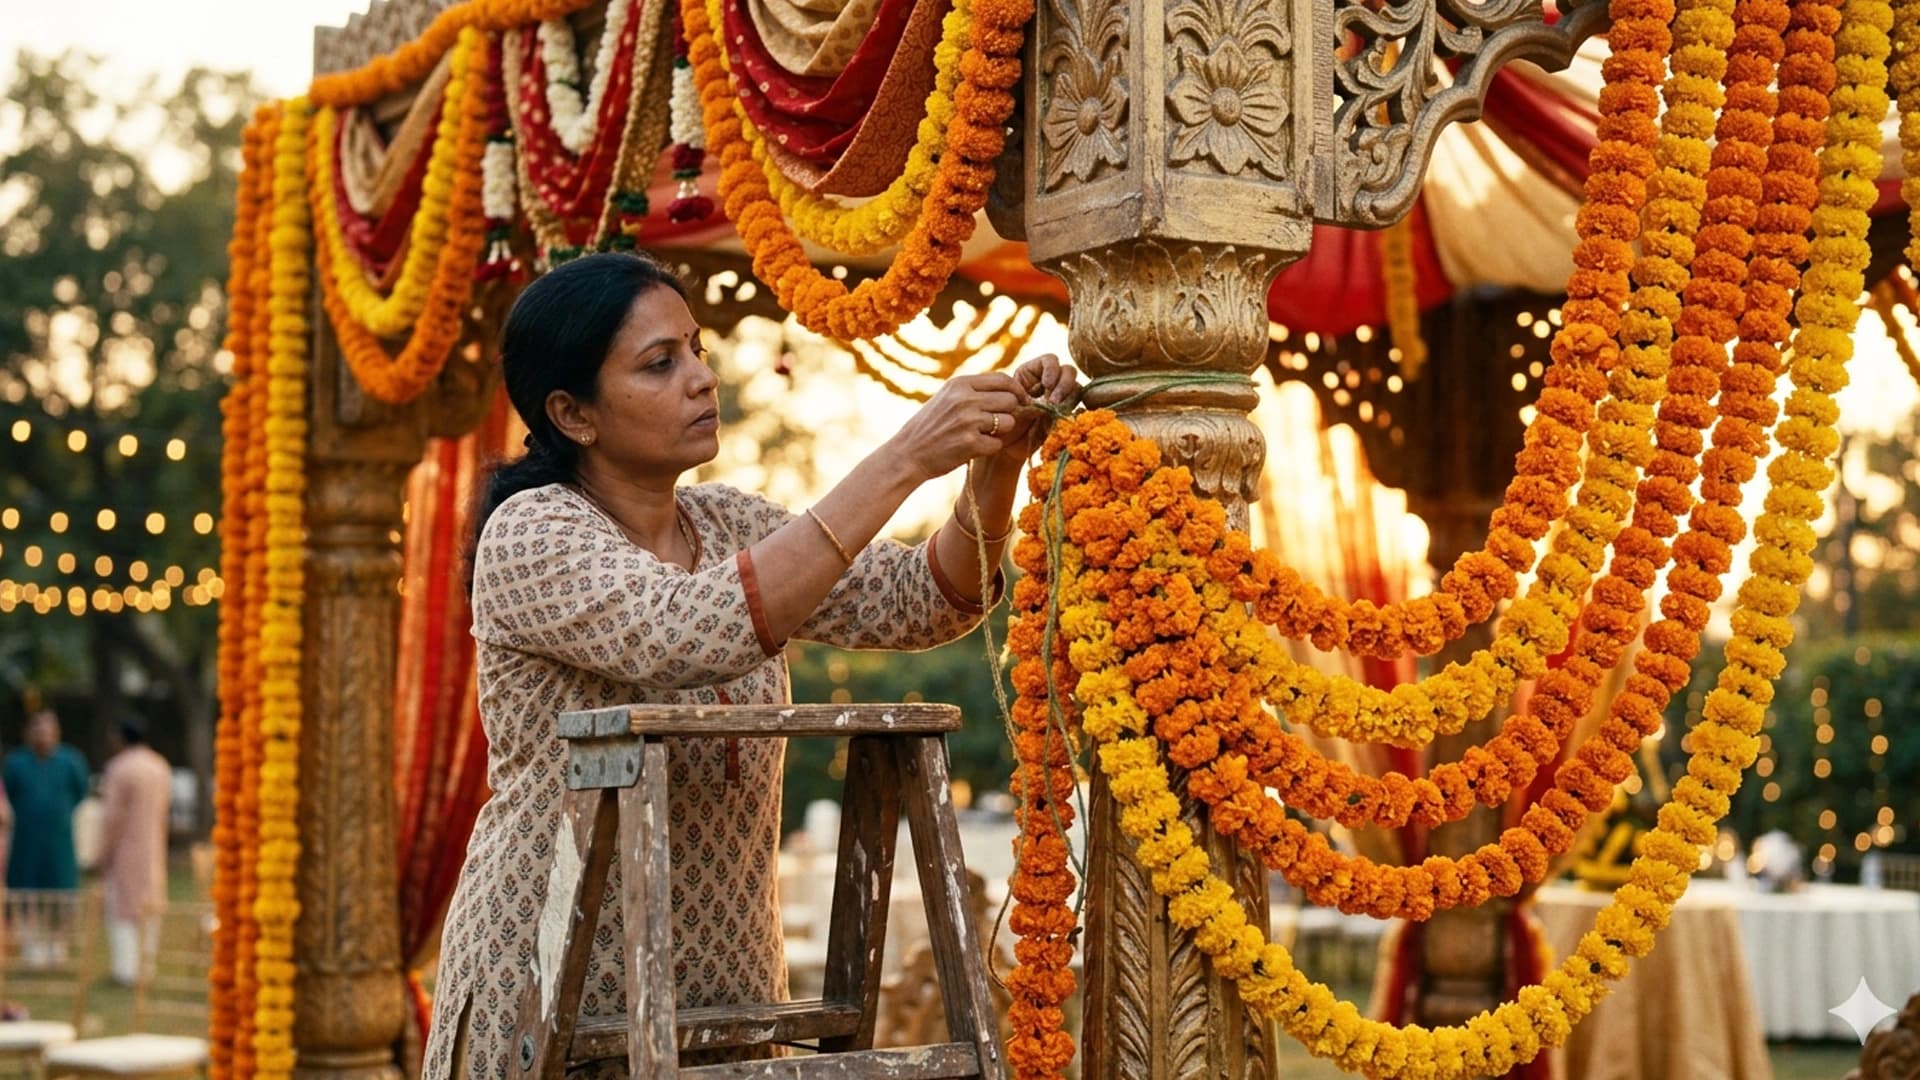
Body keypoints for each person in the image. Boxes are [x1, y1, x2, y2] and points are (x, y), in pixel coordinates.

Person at [421, 252, 1080, 1077]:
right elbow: (695, 631)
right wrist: (907, 454)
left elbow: (921, 600)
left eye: (697, 349)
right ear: (573, 413)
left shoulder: (726, 521)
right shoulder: (532, 534)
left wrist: (993, 470)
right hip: (553, 1004)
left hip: (726, 1003)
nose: (702, 377)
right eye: (661, 364)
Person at [2, 710, 90, 966]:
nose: (43, 735)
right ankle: (32, 947)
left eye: (48, 729)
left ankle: (56, 946)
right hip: (26, 840)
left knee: (59, 892)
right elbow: (10, 793)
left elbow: (80, 792)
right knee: (27, 893)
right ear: (30, 733)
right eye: (38, 729)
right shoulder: (16, 762)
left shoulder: (71, 761)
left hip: (59, 840)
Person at [96, 720, 174, 985]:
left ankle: (126, 971)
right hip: (153, 847)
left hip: (124, 851)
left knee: (122, 909)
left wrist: (102, 853)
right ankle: (146, 967)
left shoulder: (119, 768)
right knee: (149, 906)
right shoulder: (159, 765)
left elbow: (112, 818)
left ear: (120, 738)